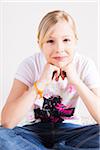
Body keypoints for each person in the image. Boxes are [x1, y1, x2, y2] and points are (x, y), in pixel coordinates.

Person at [0, 10, 100, 150]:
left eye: (66, 40)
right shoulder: (30, 65)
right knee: (1, 136)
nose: (59, 49)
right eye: (50, 41)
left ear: (75, 41)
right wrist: (40, 83)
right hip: (34, 133)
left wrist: (76, 81)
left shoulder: (84, 65)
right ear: (40, 44)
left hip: (71, 132)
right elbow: (6, 122)